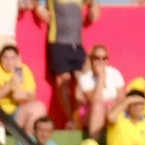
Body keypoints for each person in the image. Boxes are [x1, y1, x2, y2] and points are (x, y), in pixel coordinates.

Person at [32, 0, 100, 128]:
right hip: (59, 42)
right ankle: (70, 119)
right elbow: (36, 5)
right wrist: (40, 10)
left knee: (83, 79)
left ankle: (81, 118)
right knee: (63, 80)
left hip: (77, 44)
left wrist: (93, 9)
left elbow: (93, 9)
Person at [0, 45, 47, 134]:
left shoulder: (23, 69)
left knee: (39, 107)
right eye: (5, 58)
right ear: (0, 58)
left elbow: (33, 96)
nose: (9, 62)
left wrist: (25, 96)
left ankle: (27, 142)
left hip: (16, 115)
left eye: (12, 58)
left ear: (18, 58)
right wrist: (10, 84)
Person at [75, 44, 126, 141]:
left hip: (111, 110)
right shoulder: (86, 78)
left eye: (104, 58)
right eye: (97, 58)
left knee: (113, 109)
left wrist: (112, 106)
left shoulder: (115, 73)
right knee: (98, 105)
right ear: (91, 60)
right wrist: (101, 77)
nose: (101, 61)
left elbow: (121, 98)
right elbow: (94, 100)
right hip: (91, 113)